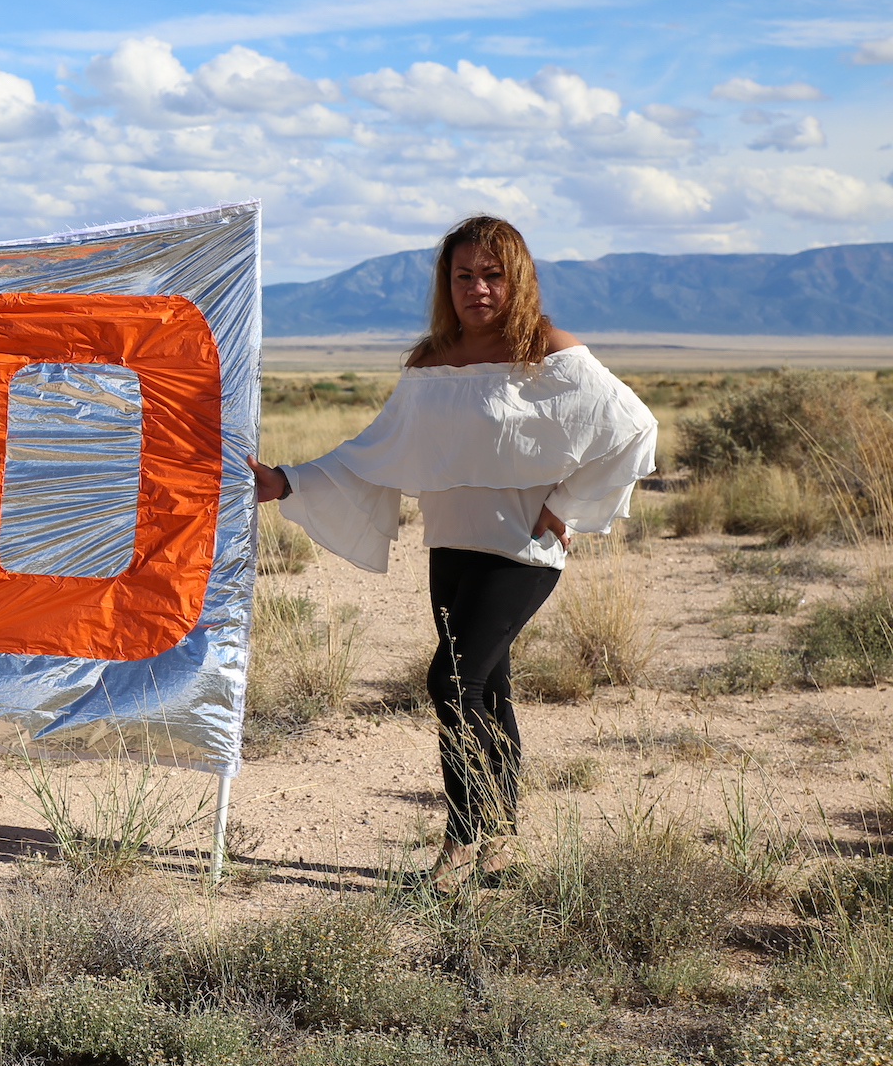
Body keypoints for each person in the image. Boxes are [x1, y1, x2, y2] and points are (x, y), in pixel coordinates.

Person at [247, 216, 656, 890]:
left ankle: (460, 846)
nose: (479, 289)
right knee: (489, 688)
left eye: (493, 275)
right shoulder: (430, 362)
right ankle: (501, 845)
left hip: (523, 547)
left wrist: (570, 504)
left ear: (517, 277)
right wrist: (288, 479)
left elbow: (632, 427)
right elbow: (375, 451)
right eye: (464, 275)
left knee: (452, 680)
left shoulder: (546, 349)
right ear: (447, 283)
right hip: (452, 544)